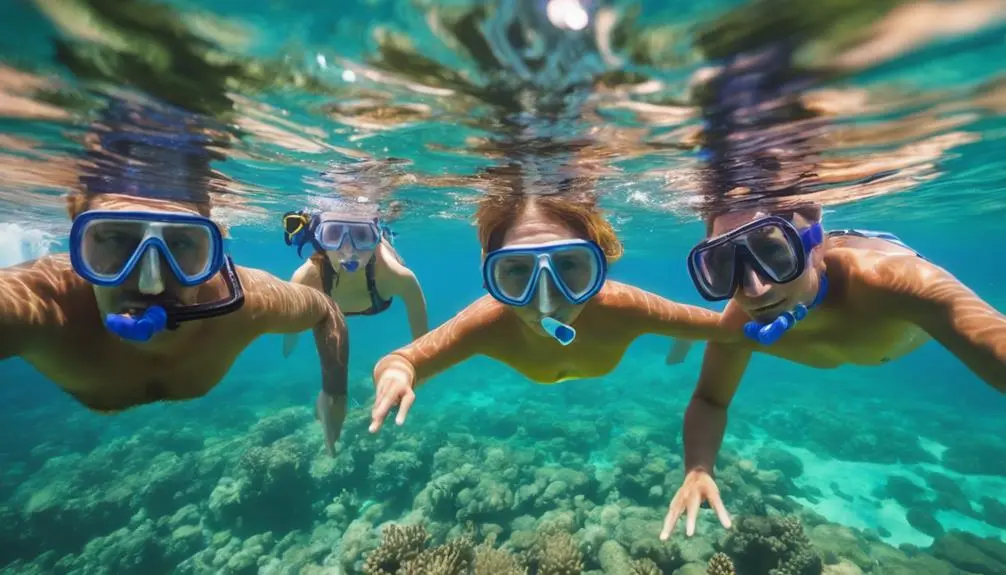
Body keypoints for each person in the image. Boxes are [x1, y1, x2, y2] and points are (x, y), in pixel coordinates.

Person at [0, 100, 352, 457]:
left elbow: (327, 312)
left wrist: (334, 394)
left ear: (214, 241)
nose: (149, 284)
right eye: (117, 238)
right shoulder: (39, 305)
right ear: (76, 226)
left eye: (182, 242)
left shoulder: (248, 302)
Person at [660, 203, 1006, 540]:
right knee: (721, 326)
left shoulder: (893, 282)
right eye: (723, 265)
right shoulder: (738, 321)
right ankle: (697, 320)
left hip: (870, 249)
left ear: (816, 241)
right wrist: (698, 468)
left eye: (774, 252)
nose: (754, 289)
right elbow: (710, 399)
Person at [367, 191, 741, 432]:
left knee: (683, 321)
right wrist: (397, 373)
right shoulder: (487, 322)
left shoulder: (621, 306)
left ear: (600, 266)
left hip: (650, 317)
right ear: (489, 274)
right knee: (678, 322)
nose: (546, 301)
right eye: (515, 271)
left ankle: (680, 337)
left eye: (568, 266)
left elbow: (724, 327)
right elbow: (403, 360)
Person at [279, 201, 428, 356]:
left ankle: (380, 232)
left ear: (374, 239)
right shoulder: (305, 278)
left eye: (362, 235)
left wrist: (421, 358)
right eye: (334, 234)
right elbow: (290, 333)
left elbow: (419, 327)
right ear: (319, 239)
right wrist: (286, 353)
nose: (348, 250)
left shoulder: (394, 273)